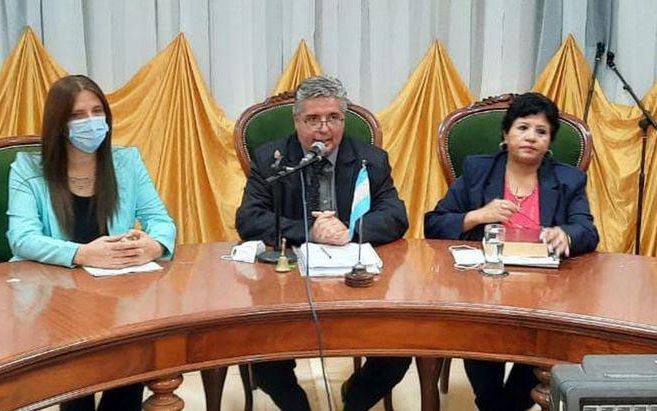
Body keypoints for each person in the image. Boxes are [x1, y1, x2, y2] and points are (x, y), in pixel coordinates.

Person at [236, 76, 410, 410]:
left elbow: (395, 215)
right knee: (260, 345)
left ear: (344, 119)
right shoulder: (271, 158)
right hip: (287, 283)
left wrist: (350, 230)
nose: (324, 129)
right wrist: (310, 231)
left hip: (356, 282)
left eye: (333, 118)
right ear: (296, 121)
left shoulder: (371, 159)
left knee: (401, 346)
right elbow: (249, 219)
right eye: (313, 119)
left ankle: (354, 398)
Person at [7, 75, 176, 411]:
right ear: (59, 124)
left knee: (135, 357)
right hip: (55, 297)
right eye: (78, 115)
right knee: (77, 382)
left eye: (97, 111)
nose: (91, 122)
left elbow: (161, 220)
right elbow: (22, 238)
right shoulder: (27, 169)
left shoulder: (127, 162)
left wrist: (154, 245)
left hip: (117, 292)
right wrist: (84, 253)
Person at [424, 92, 599, 411]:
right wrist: (478, 215)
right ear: (506, 134)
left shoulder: (568, 179)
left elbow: (587, 230)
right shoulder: (478, 171)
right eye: (523, 127)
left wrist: (566, 234)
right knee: (482, 352)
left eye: (541, 131)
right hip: (484, 292)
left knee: (538, 357)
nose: (531, 137)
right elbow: (434, 223)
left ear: (549, 142)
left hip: (543, 297)